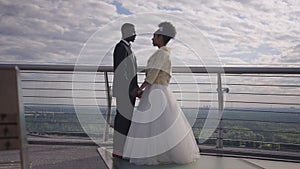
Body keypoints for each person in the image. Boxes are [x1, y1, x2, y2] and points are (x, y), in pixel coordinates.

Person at [123, 22, 200, 165]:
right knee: (162, 124)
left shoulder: (160, 53)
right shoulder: (166, 53)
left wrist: (141, 88)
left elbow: (153, 73)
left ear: (160, 37)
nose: (152, 39)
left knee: (150, 124)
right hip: (162, 90)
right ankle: (163, 153)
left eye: (154, 36)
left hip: (156, 91)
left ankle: (152, 153)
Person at [112, 23, 139, 159]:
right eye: (133, 31)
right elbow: (121, 72)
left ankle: (123, 149)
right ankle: (118, 150)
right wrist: (130, 90)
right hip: (125, 92)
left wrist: (136, 88)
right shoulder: (120, 48)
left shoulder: (128, 49)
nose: (135, 34)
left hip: (130, 92)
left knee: (126, 120)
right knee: (122, 120)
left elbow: (131, 72)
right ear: (126, 32)